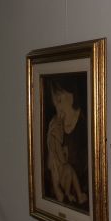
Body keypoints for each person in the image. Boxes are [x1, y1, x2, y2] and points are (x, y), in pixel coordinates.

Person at [46, 78, 88, 207]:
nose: (57, 109)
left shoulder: (86, 124)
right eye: (54, 103)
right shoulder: (54, 125)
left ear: (72, 94)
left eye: (59, 100)